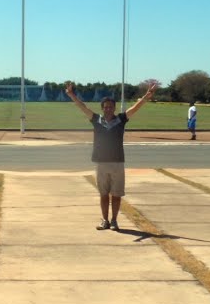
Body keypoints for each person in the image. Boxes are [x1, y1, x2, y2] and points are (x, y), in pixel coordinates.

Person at [66, 81, 158, 232]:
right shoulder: (97, 120)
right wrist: (71, 95)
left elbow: (135, 108)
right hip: (101, 163)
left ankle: (114, 220)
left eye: (111, 107)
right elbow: (83, 107)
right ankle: (104, 220)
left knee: (116, 195)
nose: (108, 109)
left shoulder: (120, 120)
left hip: (117, 163)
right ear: (102, 108)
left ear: (114, 108)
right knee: (103, 194)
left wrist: (147, 96)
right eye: (106, 107)